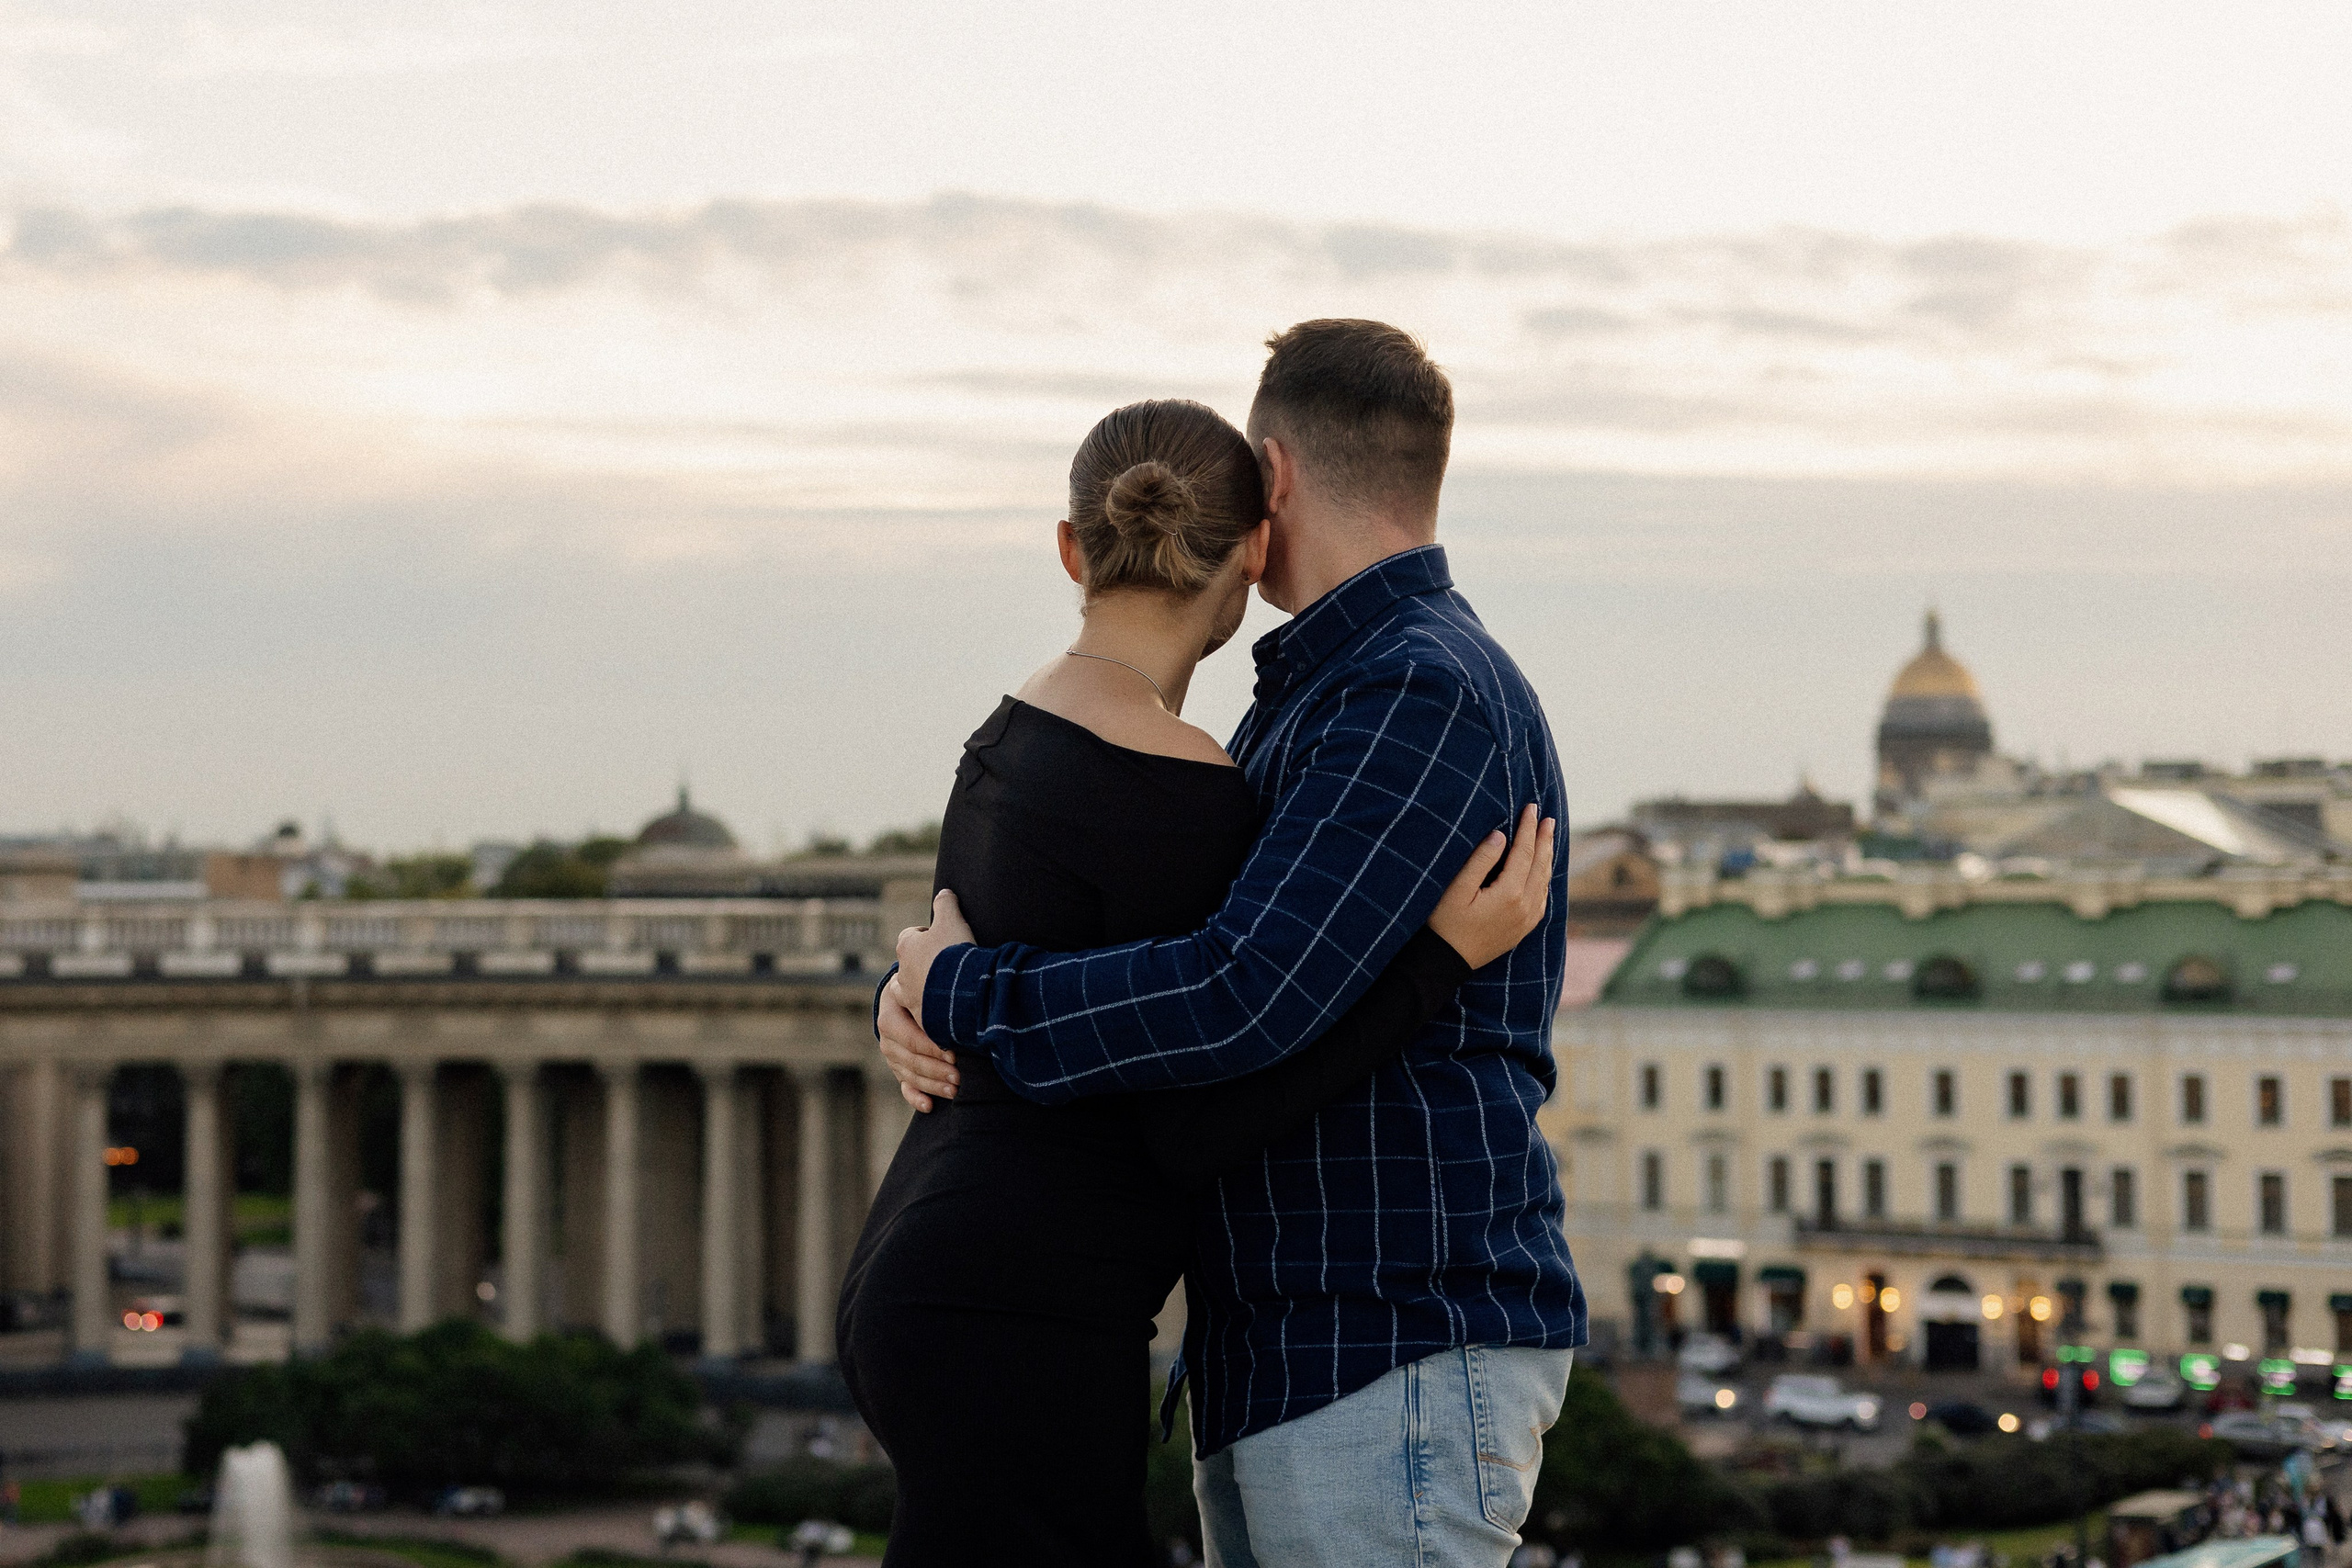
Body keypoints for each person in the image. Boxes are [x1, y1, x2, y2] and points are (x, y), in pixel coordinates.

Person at [881, 320, 1586, 1565]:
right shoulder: (1324, 690)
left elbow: (1238, 994)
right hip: (1307, 1347)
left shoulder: (1411, 689)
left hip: (1389, 1340)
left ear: (1274, 473)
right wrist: (913, 989)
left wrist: (964, 992)